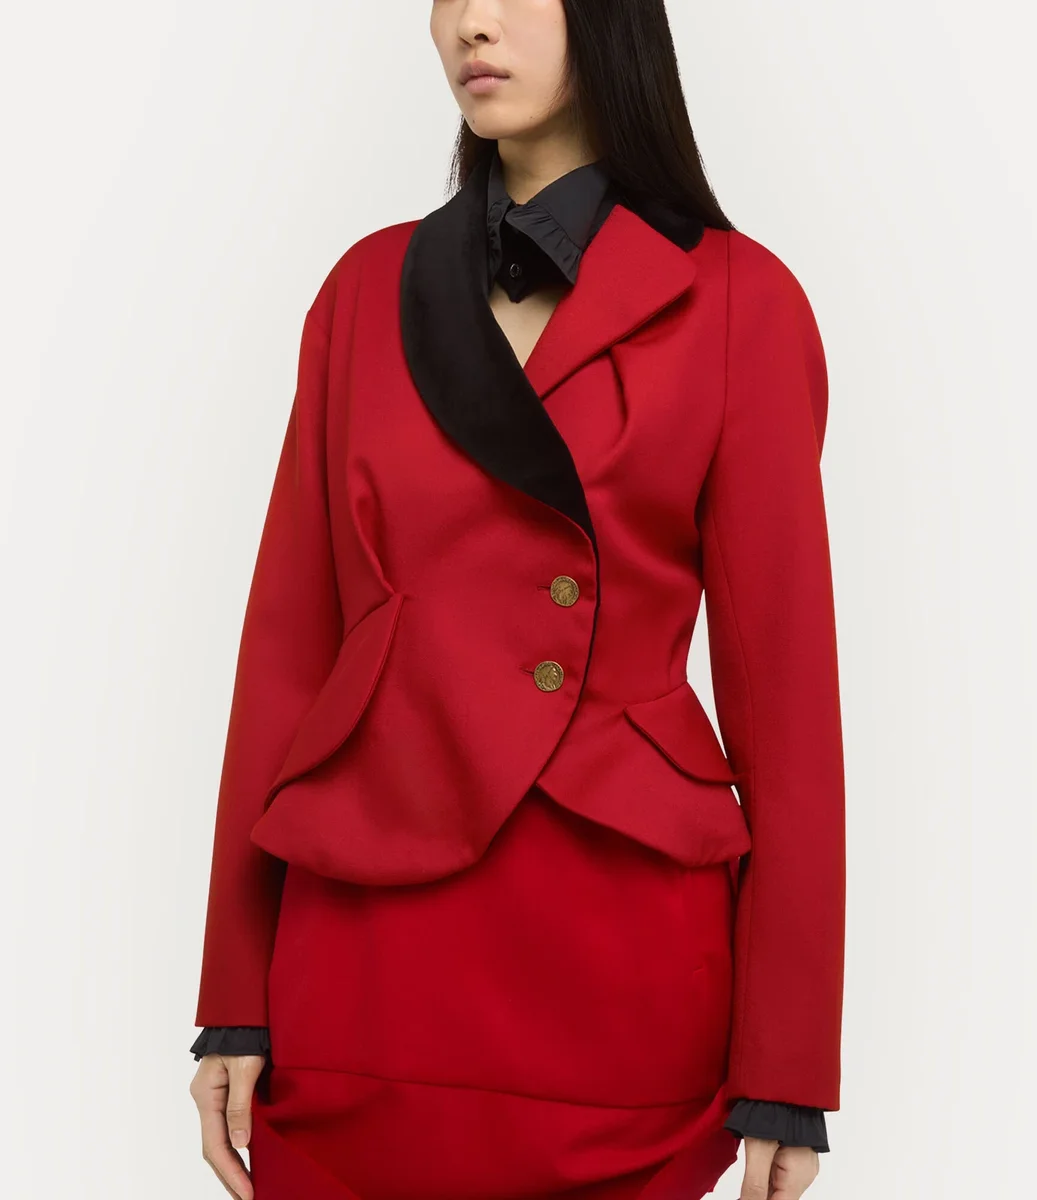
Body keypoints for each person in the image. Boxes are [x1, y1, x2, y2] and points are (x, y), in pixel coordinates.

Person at [187, 2, 846, 1198]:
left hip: (616, 950)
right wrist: (231, 997)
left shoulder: (739, 302)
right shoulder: (364, 289)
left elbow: (786, 705)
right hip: (365, 944)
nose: (471, 24)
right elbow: (286, 649)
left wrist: (785, 1064)